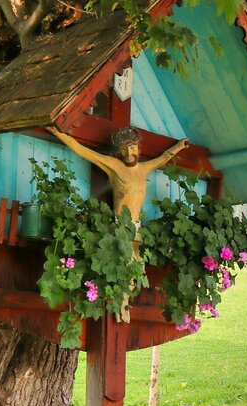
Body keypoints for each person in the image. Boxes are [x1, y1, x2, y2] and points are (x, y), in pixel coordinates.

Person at [47, 126, 189, 321]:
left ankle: (125, 305)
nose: (129, 154)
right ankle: (119, 305)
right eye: (124, 150)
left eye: (133, 148)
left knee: (136, 267)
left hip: (136, 226)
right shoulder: (114, 166)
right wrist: (58, 133)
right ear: (119, 151)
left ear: (139, 148)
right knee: (123, 264)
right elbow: (83, 151)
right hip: (119, 226)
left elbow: (164, 158)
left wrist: (180, 146)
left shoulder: (144, 168)